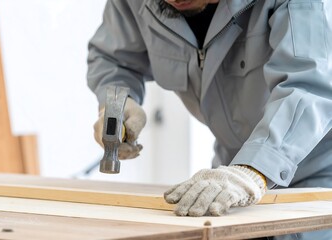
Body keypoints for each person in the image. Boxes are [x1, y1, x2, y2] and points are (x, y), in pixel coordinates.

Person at [87, 0, 332, 239]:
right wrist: (120, 98)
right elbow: (113, 60)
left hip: (318, 175)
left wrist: (253, 170)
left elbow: (310, 86)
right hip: (231, 171)